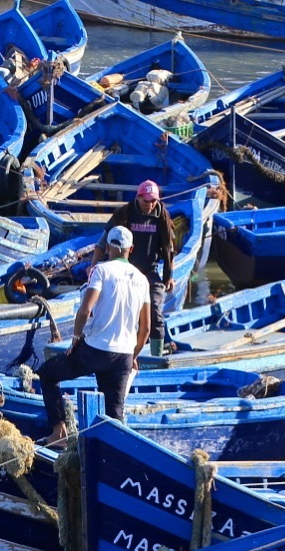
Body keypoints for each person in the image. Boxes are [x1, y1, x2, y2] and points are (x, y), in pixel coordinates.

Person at [38, 225, 150, 444]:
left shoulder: (101, 270)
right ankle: (111, 451)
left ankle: (59, 433)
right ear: (131, 249)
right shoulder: (142, 279)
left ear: (107, 246)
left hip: (95, 350)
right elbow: (145, 329)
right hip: (123, 356)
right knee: (114, 415)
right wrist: (133, 355)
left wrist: (76, 338)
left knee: (47, 374)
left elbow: (85, 310)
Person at [98, 179, 175, 352]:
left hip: (150, 272)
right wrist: (94, 267)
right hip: (125, 271)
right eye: (146, 200)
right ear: (138, 197)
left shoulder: (162, 216)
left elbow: (169, 248)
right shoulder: (124, 213)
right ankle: (122, 351)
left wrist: (169, 276)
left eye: (153, 200)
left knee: (155, 313)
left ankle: (156, 357)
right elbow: (102, 244)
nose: (150, 204)